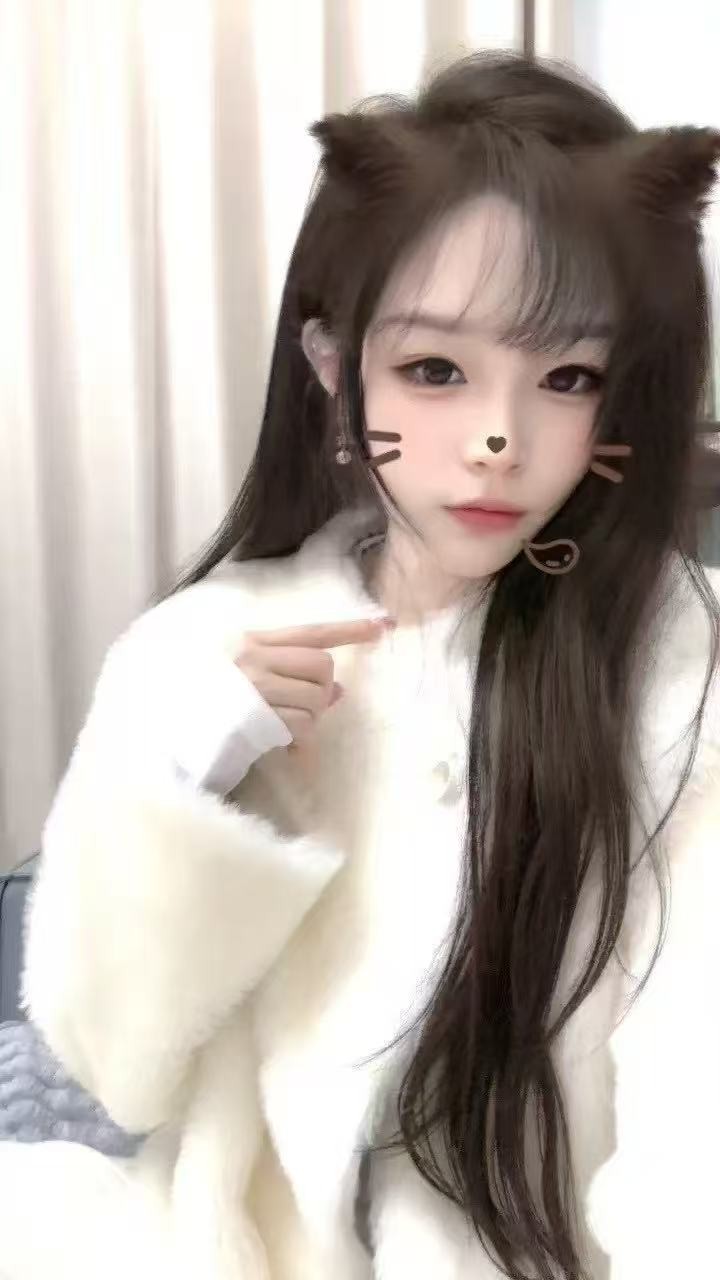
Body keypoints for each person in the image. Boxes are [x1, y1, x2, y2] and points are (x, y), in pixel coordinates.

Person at [1, 50, 719, 1280]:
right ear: (337, 369)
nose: (497, 439)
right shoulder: (201, 647)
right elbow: (111, 1063)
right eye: (436, 370)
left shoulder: (685, 664)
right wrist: (177, 786)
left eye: (567, 377)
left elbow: (696, 1099)